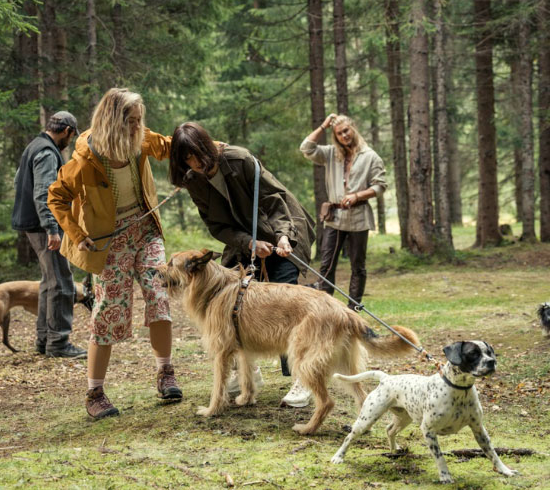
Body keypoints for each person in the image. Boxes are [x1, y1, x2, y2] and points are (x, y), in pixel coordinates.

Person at [47, 87, 180, 420]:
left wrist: (211, 148)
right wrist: (77, 235)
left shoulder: (141, 140)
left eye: (139, 120)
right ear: (112, 122)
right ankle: (95, 393)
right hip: (110, 241)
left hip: (146, 231)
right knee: (108, 311)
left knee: (158, 293)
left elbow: (168, 147)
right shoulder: (85, 159)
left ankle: (165, 372)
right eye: (131, 122)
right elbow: (56, 198)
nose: (138, 127)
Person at [168, 121, 317, 408]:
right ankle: (249, 372)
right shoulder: (193, 180)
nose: (196, 163)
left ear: (207, 146)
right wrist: (249, 243)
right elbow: (216, 225)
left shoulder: (240, 159)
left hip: (283, 227)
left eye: (198, 154)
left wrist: (283, 237)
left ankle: (303, 377)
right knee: (235, 295)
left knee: (284, 296)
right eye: (187, 159)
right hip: (243, 238)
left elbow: (275, 199)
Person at [11, 111, 87, 359]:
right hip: (44, 228)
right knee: (62, 282)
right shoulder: (46, 152)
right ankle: (59, 343)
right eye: (71, 135)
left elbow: (18, 181)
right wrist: (51, 228)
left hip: (33, 225)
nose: (70, 141)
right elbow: (44, 193)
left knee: (49, 281)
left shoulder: (34, 145)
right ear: (66, 131)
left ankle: (44, 339)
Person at [299, 114, 387, 305]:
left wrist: (357, 195)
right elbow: (306, 147)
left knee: (358, 267)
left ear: (353, 128)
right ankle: (325, 309)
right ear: (335, 136)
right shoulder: (331, 153)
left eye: (346, 130)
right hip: (334, 218)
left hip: (358, 217)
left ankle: (353, 309)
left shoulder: (370, 156)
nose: (344, 135)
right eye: (339, 133)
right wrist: (323, 125)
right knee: (327, 266)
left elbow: (380, 185)